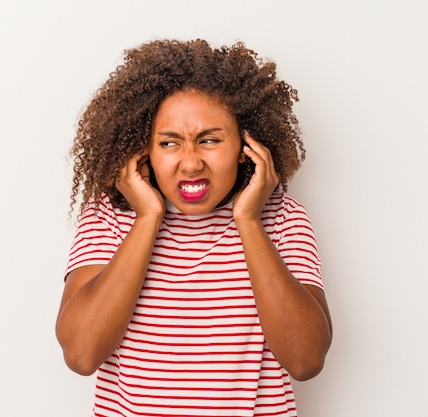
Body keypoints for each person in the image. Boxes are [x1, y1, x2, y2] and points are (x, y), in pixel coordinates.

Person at [56, 38, 332, 417]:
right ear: (144, 150)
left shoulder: (282, 219)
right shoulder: (109, 217)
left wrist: (249, 221)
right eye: (169, 143)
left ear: (245, 145)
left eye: (209, 140)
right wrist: (147, 218)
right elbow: (81, 353)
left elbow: (306, 360)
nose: (190, 164)